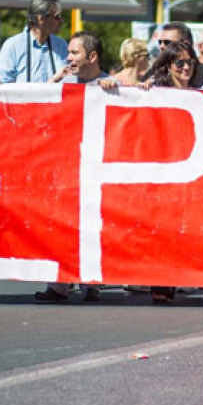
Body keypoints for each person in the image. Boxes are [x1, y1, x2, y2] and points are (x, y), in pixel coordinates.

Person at [35, 31, 117, 303]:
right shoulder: (64, 82)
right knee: (61, 225)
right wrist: (55, 80)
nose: (68, 57)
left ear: (92, 57)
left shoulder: (109, 84)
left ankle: (91, 282)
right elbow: (38, 108)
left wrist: (114, 89)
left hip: (96, 167)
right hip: (65, 166)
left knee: (92, 225)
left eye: (74, 53)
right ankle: (59, 284)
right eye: (68, 52)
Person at [140, 41, 203, 303]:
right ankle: (164, 282)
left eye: (190, 63)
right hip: (167, 166)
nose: (186, 67)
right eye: (180, 63)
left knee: (200, 225)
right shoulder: (155, 90)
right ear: (168, 66)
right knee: (166, 226)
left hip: (199, 167)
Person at [0, 0, 68, 83]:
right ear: (41, 19)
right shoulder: (13, 46)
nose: (61, 21)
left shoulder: (62, 45)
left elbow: (70, 79)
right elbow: (2, 85)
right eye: (56, 17)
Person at [147, 22, 203, 89]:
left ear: (186, 44)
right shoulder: (155, 71)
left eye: (167, 42)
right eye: (160, 42)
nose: (161, 46)